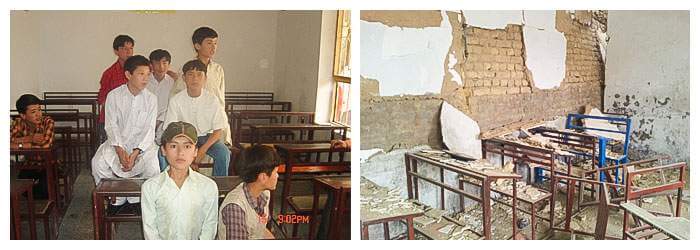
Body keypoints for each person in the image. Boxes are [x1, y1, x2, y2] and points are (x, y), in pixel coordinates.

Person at [91, 55, 160, 207]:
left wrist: (136, 152)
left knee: (154, 166)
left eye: (148, 74)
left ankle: (140, 199)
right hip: (117, 143)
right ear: (128, 74)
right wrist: (120, 151)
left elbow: (149, 130)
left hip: (142, 146)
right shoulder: (114, 96)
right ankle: (115, 197)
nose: (145, 79)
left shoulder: (151, 99)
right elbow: (111, 125)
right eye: (141, 74)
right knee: (97, 164)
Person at [141, 121, 219, 240]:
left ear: (195, 151)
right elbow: (150, 231)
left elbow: (209, 227)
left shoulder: (208, 187)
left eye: (187, 146)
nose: (180, 152)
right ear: (163, 150)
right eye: (173, 146)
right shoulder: (151, 187)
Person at [161, 59, 230, 176]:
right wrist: (186, 147)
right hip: (183, 137)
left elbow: (218, 131)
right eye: (190, 75)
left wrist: (202, 150)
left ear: (205, 78)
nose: (195, 79)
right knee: (161, 152)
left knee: (223, 153)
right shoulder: (176, 100)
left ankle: (219, 189)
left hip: (206, 138)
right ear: (183, 78)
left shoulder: (212, 100)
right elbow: (170, 128)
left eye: (199, 75)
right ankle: (168, 184)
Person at [171, 26, 231, 145]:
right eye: (209, 43)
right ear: (197, 46)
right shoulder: (187, 68)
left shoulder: (218, 69)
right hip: (192, 122)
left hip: (215, 121)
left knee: (221, 153)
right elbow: (177, 95)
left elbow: (221, 99)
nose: (213, 47)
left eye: (215, 43)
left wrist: (222, 120)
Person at [218, 145, 279, 240]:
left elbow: (261, 228)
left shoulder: (264, 193)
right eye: (276, 172)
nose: (277, 176)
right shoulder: (235, 208)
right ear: (263, 177)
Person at [10, 94, 55, 199]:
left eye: (39, 110)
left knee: (44, 190)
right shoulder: (18, 123)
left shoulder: (48, 121)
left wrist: (17, 144)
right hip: (29, 164)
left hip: (48, 164)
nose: (39, 114)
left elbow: (45, 145)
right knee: (22, 188)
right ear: (23, 115)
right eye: (33, 112)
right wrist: (30, 139)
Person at [97, 34, 134, 143]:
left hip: (132, 118)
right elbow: (102, 99)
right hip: (112, 120)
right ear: (116, 51)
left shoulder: (138, 71)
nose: (128, 52)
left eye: (131, 48)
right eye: (124, 49)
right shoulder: (109, 73)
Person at [146, 49, 175, 144]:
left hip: (165, 122)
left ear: (169, 64)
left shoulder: (173, 83)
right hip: (145, 121)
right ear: (151, 65)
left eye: (164, 63)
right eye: (157, 63)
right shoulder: (144, 81)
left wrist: (158, 122)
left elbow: (172, 106)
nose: (161, 67)